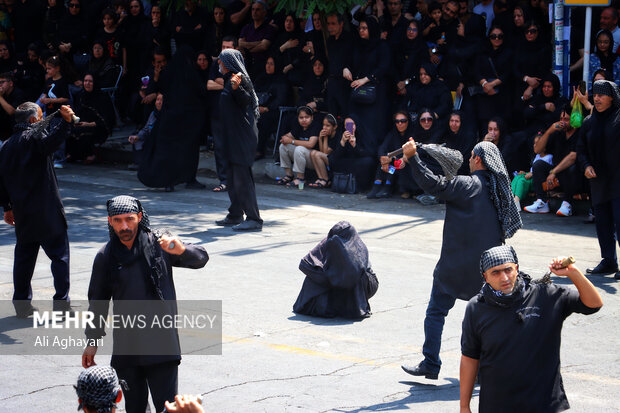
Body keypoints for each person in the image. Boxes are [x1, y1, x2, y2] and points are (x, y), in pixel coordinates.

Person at [400, 140, 522, 380]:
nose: (468, 159)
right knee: (487, 321)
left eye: (471, 156)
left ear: (477, 159)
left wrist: (413, 158)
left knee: (436, 312)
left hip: (455, 267)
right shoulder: (499, 192)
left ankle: (431, 363)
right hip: (488, 271)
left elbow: (433, 184)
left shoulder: (468, 184)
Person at [82, 195, 209, 413]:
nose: (124, 226)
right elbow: (98, 302)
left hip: (162, 346)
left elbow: (201, 258)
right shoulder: (105, 256)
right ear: (110, 221)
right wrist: (92, 340)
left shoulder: (160, 244)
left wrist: (181, 251)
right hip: (127, 348)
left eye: (130, 219)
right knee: (135, 408)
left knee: (168, 408)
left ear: (139, 217)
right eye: (118, 220)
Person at [460, 246, 603, 413]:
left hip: (543, 403)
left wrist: (573, 273)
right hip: (497, 404)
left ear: (517, 268)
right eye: (495, 272)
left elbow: (593, 304)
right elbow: (469, 358)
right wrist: (464, 406)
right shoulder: (477, 308)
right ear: (485, 277)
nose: (504, 277)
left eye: (508, 270)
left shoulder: (545, 294)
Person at [0, 103, 75, 317]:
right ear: (33, 120)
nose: (42, 121)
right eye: (41, 117)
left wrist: (7, 207)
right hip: (47, 209)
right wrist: (66, 123)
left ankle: (21, 306)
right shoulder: (34, 138)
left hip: (23, 212)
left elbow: (1, 182)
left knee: (24, 259)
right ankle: (62, 305)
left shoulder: (5, 146)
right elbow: (52, 142)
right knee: (59, 257)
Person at [214, 48, 263, 231]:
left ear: (228, 63)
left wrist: (237, 88)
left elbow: (246, 100)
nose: (218, 64)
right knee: (232, 178)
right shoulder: (229, 81)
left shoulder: (239, 79)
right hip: (231, 137)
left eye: (220, 61)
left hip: (242, 139)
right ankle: (235, 214)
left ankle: (254, 219)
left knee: (243, 179)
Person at [577, 80, 620, 279]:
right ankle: (609, 260)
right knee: (603, 222)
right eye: (595, 94)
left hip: (618, 179)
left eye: (602, 95)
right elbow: (581, 150)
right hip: (598, 180)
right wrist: (586, 166)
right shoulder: (589, 122)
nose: (597, 98)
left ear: (612, 97)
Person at [524, 105, 582, 216]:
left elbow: (572, 157)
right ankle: (542, 202)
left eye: (566, 119)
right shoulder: (558, 133)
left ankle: (567, 204)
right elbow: (537, 150)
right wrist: (549, 131)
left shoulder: (579, 133)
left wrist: (553, 172)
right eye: (561, 119)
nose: (562, 122)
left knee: (571, 168)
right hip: (556, 175)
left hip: (574, 177)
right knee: (538, 164)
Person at [368, 110, 414, 199]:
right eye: (397, 121)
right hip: (395, 163)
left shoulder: (412, 134)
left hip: (407, 166)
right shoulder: (393, 133)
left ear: (408, 121)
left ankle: (387, 186)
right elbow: (382, 147)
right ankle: (377, 184)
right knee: (384, 159)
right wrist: (383, 158)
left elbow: (408, 152)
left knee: (393, 160)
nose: (400, 123)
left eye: (403, 121)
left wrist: (391, 157)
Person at [277, 106, 320, 188]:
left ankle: (301, 178)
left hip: (314, 160)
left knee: (299, 148)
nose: (304, 120)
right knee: (283, 146)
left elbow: (311, 144)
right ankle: (289, 175)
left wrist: (292, 141)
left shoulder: (316, 126)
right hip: (302, 157)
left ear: (312, 117)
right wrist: (285, 139)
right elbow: (287, 137)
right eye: (301, 117)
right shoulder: (299, 126)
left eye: (307, 117)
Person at [309, 113, 339, 189]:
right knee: (313, 153)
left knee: (317, 154)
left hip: (336, 161)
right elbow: (322, 152)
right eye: (324, 125)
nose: (324, 128)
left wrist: (324, 138)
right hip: (328, 159)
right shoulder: (327, 134)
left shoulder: (337, 136)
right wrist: (320, 138)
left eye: (328, 126)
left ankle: (326, 179)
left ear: (335, 127)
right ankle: (320, 178)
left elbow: (326, 153)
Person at [0, 71, 26, 141]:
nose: (0, 85)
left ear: (11, 83)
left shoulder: (19, 94)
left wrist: (0, 97)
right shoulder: (3, 94)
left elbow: (11, 111)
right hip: (4, 130)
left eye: (2, 82)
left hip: (17, 131)